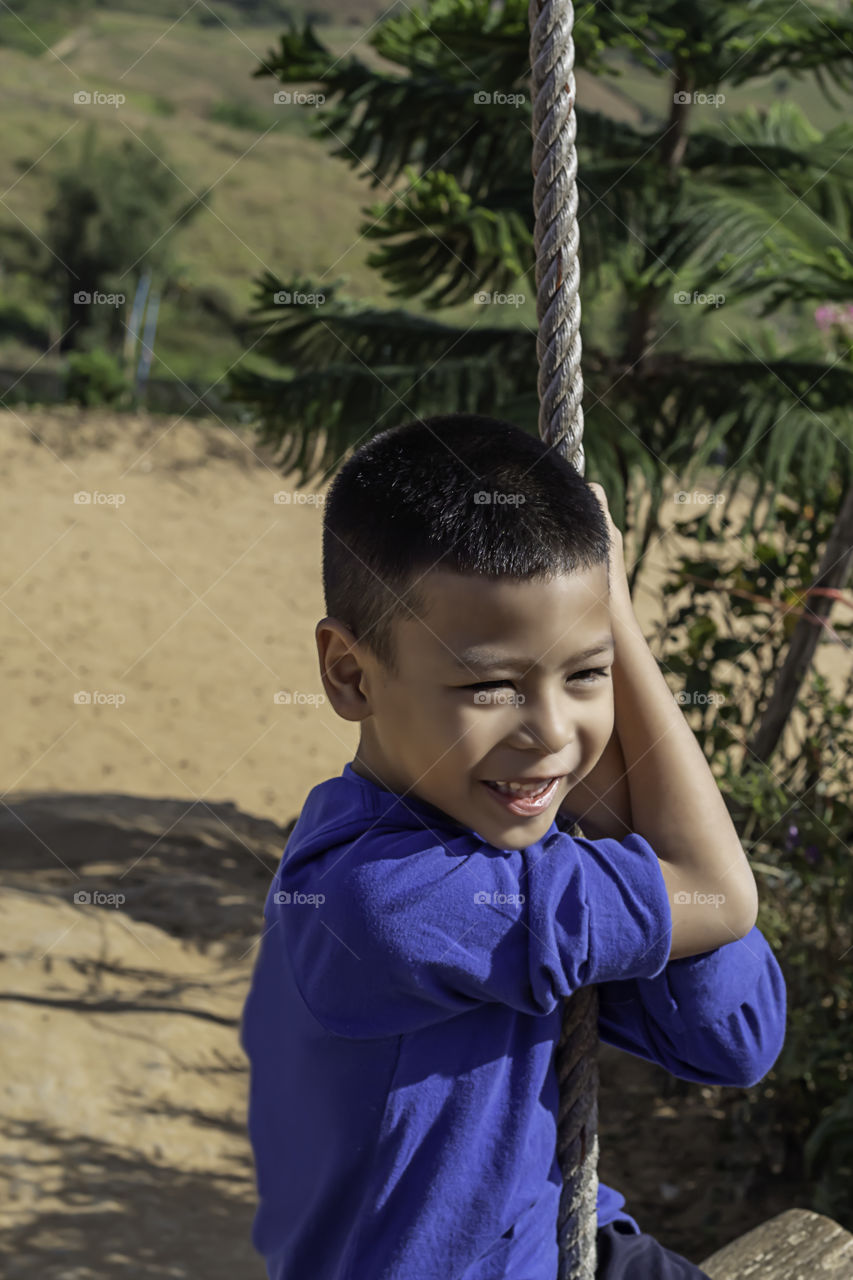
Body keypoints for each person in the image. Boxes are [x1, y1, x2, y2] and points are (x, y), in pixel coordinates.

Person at [240, 412, 787, 1280]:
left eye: (587, 673)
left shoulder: (519, 850)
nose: (550, 732)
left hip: (574, 1247)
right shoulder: (385, 898)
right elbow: (718, 897)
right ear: (350, 674)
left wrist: (600, 799)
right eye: (490, 685)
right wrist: (619, 619)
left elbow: (733, 1039)